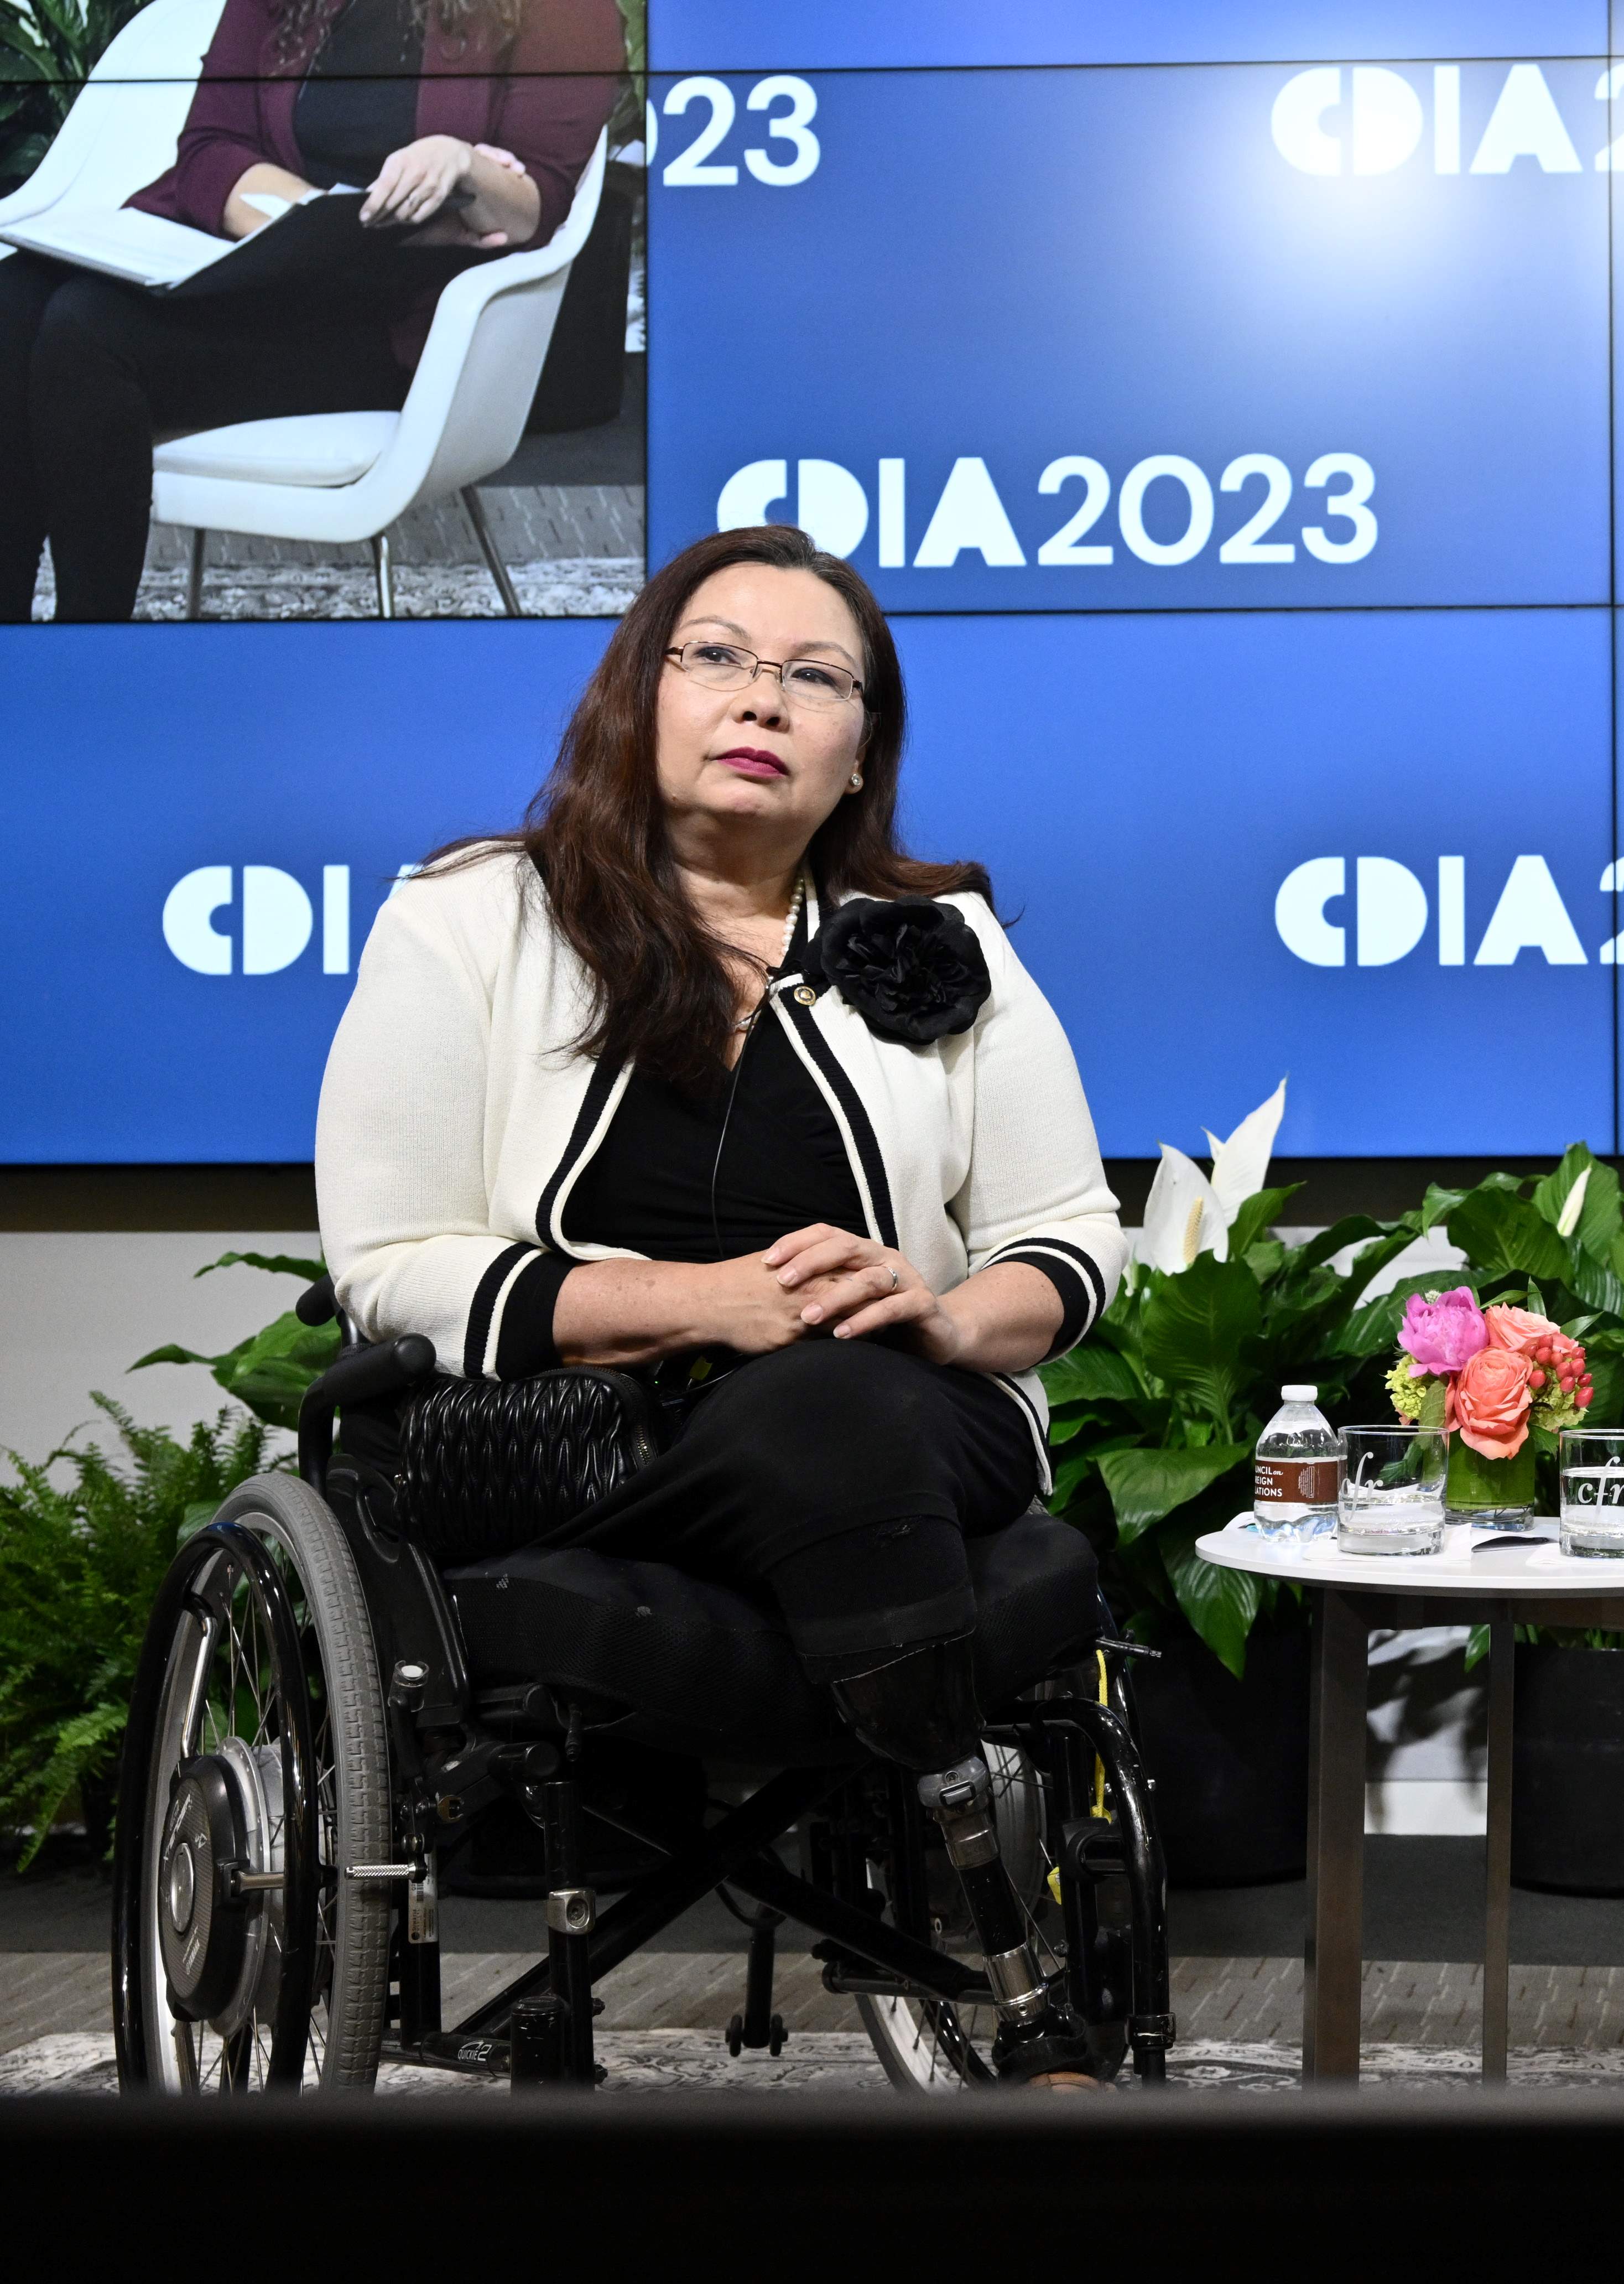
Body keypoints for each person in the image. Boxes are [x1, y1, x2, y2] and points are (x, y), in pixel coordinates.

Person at [316, 525, 1128, 2085]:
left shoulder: (941, 949)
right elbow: (392, 1260)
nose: (765, 699)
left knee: (842, 1395)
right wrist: (710, 1303)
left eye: (816, 677)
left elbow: (1068, 1238)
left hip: (909, 1420)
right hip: (588, 1463)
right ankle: (1007, 1957)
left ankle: (948, 1858)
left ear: (858, 749)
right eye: (721, 658)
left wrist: (948, 1317)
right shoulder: (474, 917)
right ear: (641, 693)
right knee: (809, 1393)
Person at [0, 0, 620, 621]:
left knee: (86, 331)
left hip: (393, 322)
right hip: (261, 274)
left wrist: (462, 163)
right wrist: (321, 222)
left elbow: (535, 212)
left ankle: (85, 656)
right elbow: (211, 147)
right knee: (15, 298)